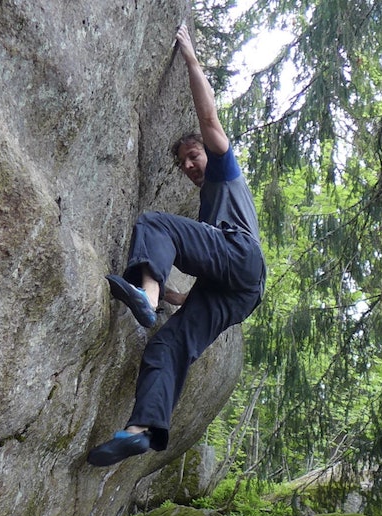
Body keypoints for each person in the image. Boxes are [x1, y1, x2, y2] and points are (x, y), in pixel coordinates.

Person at [88, 22, 266, 468]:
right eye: (183, 162)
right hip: (240, 293)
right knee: (168, 346)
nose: (189, 165)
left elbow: (209, 119)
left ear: (209, 151)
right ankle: (140, 431)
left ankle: (143, 297)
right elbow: (197, 289)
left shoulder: (225, 170)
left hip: (243, 256)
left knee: (155, 224)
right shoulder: (210, 209)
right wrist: (172, 296)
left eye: (194, 156)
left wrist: (190, 56)